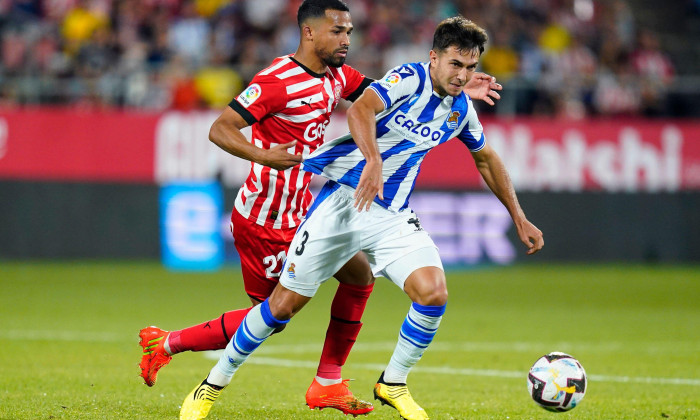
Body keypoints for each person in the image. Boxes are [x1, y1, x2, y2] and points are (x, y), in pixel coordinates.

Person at [139, 1, 504, 417]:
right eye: (338, 32)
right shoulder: (277, 80)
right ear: (310, 32)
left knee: (358, 277)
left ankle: (328, 382)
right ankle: (167, 344)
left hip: (306, 207)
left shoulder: (338, 76)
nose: (347, 39)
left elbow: (392, 95)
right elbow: (219, 129)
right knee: (275, 313)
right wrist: (263, 155)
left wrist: (454, 85)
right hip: (267, 215)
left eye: (349, 31)